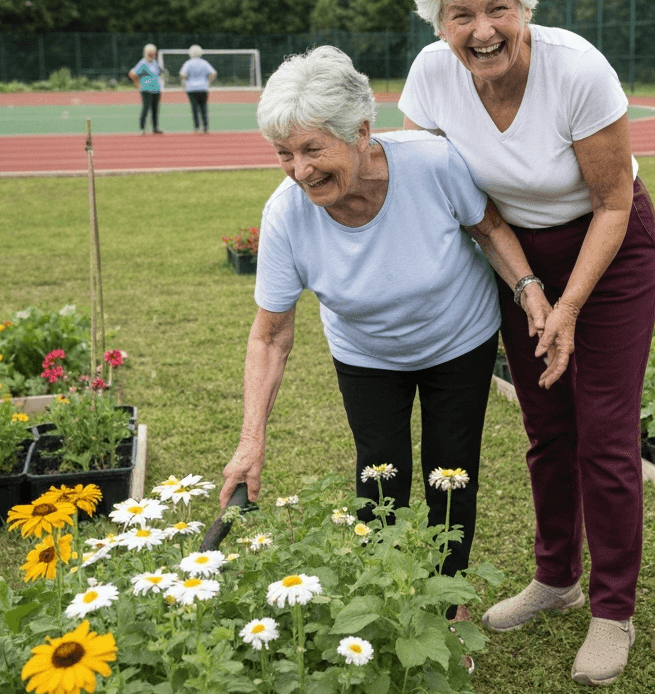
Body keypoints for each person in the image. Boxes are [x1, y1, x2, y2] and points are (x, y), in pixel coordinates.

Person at [400, 0, 655, 687]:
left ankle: (613, 610)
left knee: (604, 432)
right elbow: (435, 188)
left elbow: (614, 202)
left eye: (498, 9)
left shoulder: (577, 70)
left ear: (524, 7)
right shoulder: (431, 75)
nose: (482, 31)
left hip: (606, 254)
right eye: (461, 15)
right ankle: (557, 577)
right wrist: (526, 287)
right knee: (546, 423)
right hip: (515, 260)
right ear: (438, 20)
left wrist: (569, 305)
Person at [219, 46, 552, 619]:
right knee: (381, 477)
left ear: (362, 131)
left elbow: (488, 225)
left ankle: (448, 609)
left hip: (458, 340)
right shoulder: (287, 216)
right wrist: (251, 441)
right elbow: (270, 336)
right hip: (366, 353)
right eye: (284, 154)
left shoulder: (432, 163)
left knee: (452, 474)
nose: (301, 171)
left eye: (312, 149)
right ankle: (391, 609)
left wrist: (527, 287)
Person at [179, 44, 217, 133]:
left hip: (192, 88)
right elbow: (213, 73)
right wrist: (208, 82)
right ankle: (205, 126)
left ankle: (196, 127)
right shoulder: (204, 62)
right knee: (203, 107)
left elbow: (182, 74)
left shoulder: (188, 63)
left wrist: (184, 82)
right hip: (203, 87)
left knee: (194, 108)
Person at [128, 43, 165, 134]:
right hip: (146, 89)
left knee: (155, 109)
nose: (152, 55)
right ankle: (142, 128)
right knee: (146, 108)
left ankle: (155, 128)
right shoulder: (143, 63)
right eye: (150, 53)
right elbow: (132, 73)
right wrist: (138, 84)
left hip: (156, 89)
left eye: (153, 53)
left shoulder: (155, 63)